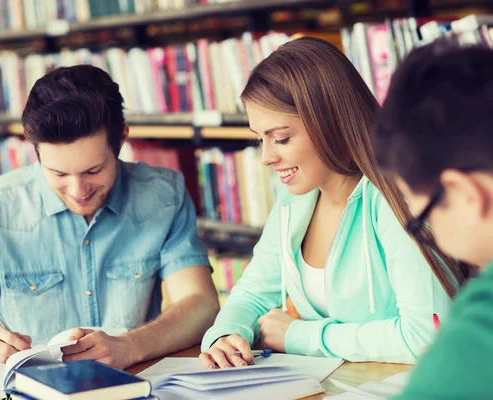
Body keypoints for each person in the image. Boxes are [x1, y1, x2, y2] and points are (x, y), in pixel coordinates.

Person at [0, 65, 219, 370]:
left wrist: (131, 346)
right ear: (35, 152)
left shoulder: (163, 195)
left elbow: (201, 303)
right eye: (58, 173)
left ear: (122, 139)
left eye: (93, 171)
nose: (78, 190)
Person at [199, 37, 470, 369]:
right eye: (260, 138)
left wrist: (300, 336)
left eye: (281, 138)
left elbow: (429, 336)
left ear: (329, 122)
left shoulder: (396, 199)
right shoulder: (293, 200)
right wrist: (225, 335)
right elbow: (254, 291)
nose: (266, 157)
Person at [372, 41, 491, 400]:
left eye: (422, 217)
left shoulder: (482, 323)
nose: (431, 233)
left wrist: (452, 364)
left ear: (465, 195)